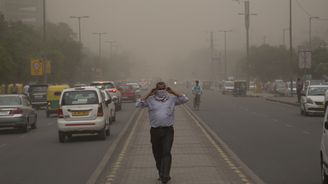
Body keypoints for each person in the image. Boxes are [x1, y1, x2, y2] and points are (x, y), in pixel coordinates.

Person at [136, 82, 188, 184]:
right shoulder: (150, 100)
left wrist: (173, 92)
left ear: (166, 89)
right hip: (155, 131)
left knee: (166, 152)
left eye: (163, 88)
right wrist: (148, 94)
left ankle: (166, 175)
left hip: (168, 130)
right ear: (155, 90)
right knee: (157, 153)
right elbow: (138, 104)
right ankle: (161, 172)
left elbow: (185, 99)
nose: (161, 91)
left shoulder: (171, 99)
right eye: (159, 89)